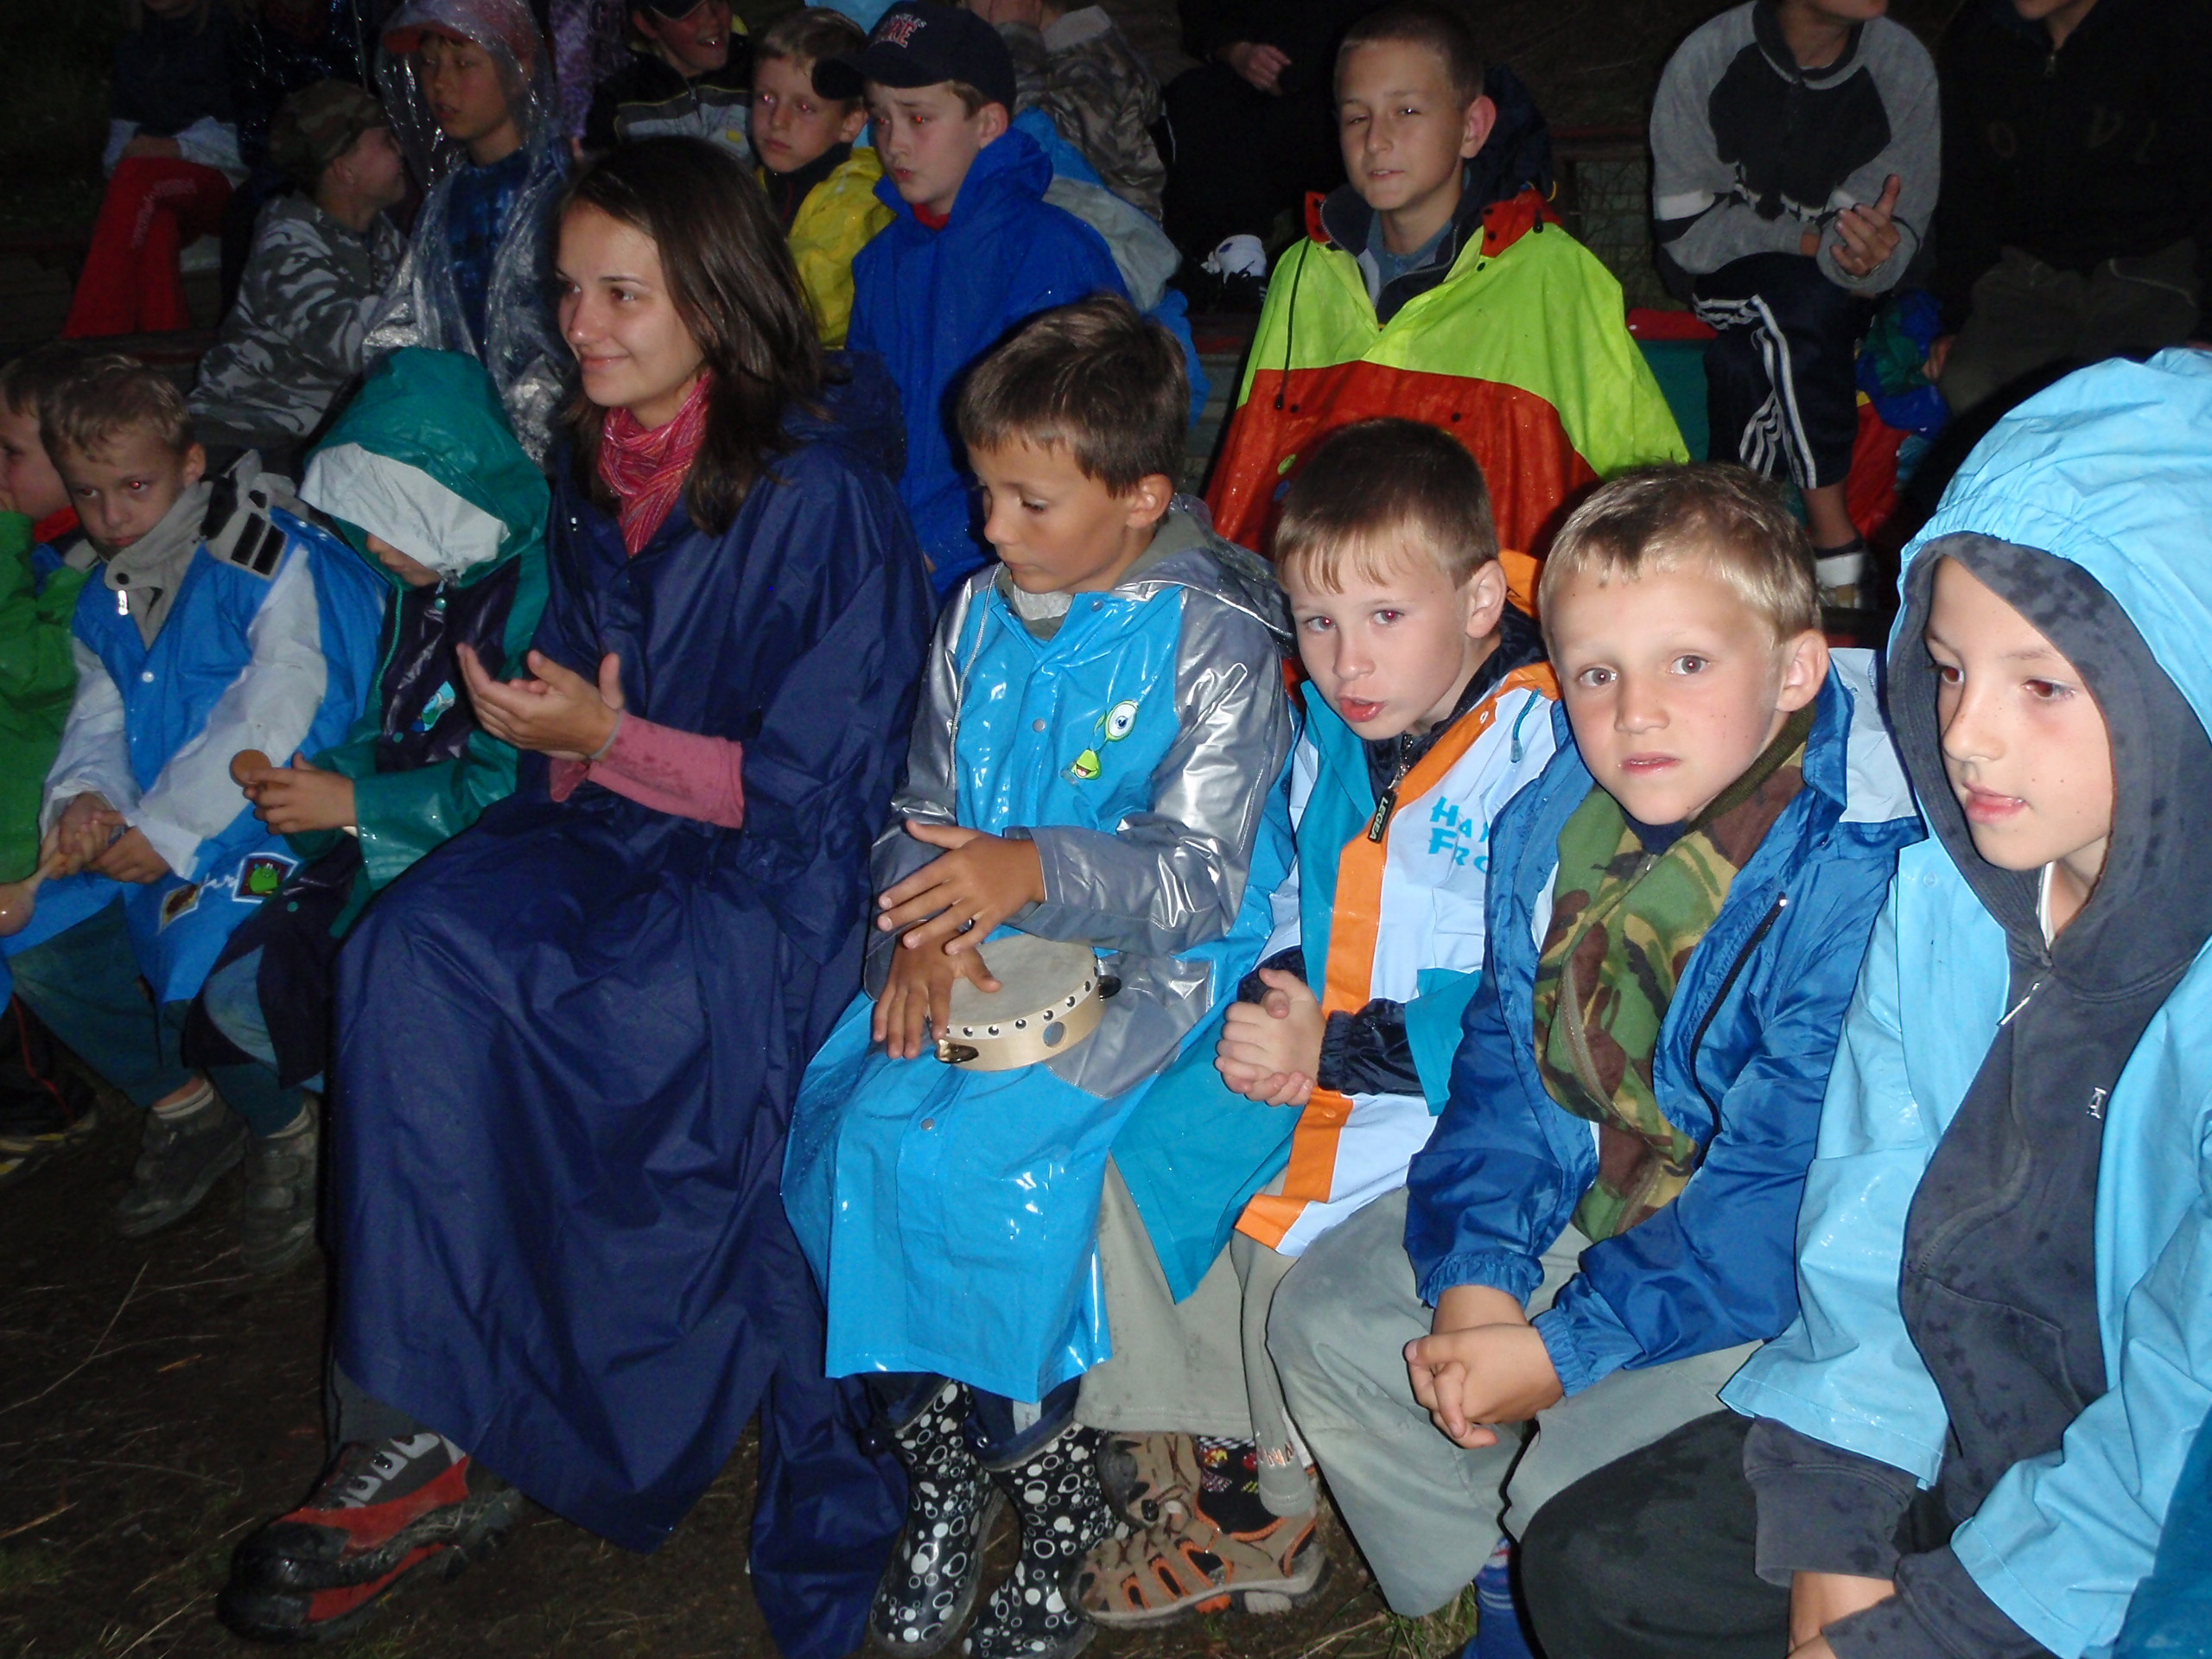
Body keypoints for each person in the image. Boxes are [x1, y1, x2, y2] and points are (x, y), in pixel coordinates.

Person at [216, 137, 928, 1650]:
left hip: (773, 872)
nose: (580, 326)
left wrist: (604, 739)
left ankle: (562, 1381)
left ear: (716, 298)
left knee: (631, 1015)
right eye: (567, 291)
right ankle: (411, 1419)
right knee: (415, 951)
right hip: (616, 824)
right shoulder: (596, 467)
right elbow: (590, 714)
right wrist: (542, 732)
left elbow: (819, 788)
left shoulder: (822, 497)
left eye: (622, 293)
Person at [1516, 348, 2212, 1659]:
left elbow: (2178, 1427)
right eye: (1947, 670)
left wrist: (1936, 1626)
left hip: (2136, 1542)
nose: (1965, 735)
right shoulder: (1948, 904)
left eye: (2042, 686)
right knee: (1597, 1569)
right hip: (1949, 1437)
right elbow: (1869, 1225)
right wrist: (1837, 1520)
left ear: (2184, 681)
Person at [1263, 463, 1919, 1643]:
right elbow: (1509, 1073)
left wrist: (1560, 1350)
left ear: (1795, 670)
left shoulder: (1855, 870)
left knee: (1576, 1473)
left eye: (1688, 664)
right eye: (1596, 674)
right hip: (1599, 1194)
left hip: (1763, 1274)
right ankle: (1486, 1581)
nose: (1635, 714)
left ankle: (1547, 1571)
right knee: (1332, 1325)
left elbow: (1789, 1192)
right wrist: (1477, 1278)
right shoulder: (1558, 813)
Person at [783, 294, 1295, 1659]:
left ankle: (1056, 1508)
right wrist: (919, 931)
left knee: (999, 1183)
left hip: (1150, 965)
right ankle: (949, 1481)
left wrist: (1034, 870)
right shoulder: (976, 616)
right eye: (985, 494)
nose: (992, 528)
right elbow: (921, 808)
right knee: (851, 1144)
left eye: (1028, 502)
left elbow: (1204, 879)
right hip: (976, 946)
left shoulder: (1214, 639)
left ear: (1141, 497)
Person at [1073, 417, 1559, 1626]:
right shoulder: (1341, 731)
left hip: (1463, 1095)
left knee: (1284, 1245)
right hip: (1337, 1051)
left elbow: (1533, 981)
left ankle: (1312, 1507)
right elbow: (1300, 883)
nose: (1347, 658)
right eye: (1317, 619)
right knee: (1151, 1148)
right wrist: (1279, 992)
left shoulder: (1538, 744)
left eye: (1385, 615)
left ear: (1481, 601)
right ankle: (1220, 1456)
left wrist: (1331, 1046)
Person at [3, 358, 383, 1254]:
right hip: (164, 822)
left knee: (198, 960)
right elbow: (102, 715)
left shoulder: (261, 554)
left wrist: (168, 831)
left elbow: (284, 704)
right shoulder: (109, 587)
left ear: (190, 464)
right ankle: (187, 1105)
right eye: (89, 494)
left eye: (134, 486)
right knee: (42, 941)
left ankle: (285, 1128)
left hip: (278, 823)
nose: (111, 515)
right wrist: (86, 798)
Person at [182, 346, 549, 1268]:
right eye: (366, 523)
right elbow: (393, 722)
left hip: (485, 873)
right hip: (395, 847)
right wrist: (318, 779)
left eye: (393, 522)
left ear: (450, 504)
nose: (375, 547)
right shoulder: (428, 589)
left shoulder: (528, 600)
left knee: (307, 997)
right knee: (240, 990)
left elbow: (513, 784)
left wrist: (352, 803)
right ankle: (384, 1131)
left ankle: (433, 1153)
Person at [1205, 1, 1685, 563]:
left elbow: (1650, 489)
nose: (1376, 141)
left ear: (1472, 127)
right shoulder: (1304, 269)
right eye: (1356, 118)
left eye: (1406, 111)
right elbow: (1249, 463)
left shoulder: (1551, 275)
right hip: (1317, 599)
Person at [818, 0, 1127, 595]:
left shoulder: (1050, 250)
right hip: (896, 558)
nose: (893, 143)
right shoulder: (880, 262)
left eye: (918, 117)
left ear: (987, 124)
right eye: (880, 118)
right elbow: (861, 418)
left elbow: (1064, 452)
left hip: (1010, 571)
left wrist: (933, 549)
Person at [1650, 0, 1938, 607]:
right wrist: (1813, 243)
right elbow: (1689, 230)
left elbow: (1894, 232)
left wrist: (1869, 256)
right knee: (1801, 302)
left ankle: (1738, 548)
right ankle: (1833, 539)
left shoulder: (1900, 65)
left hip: (1841, 294)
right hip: (1718, 273)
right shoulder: (1709, 58)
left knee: (1744, 362)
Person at [1926, 0, 2212, 421]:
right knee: (1972, 386)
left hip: (2153, 271)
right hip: (2028, 274)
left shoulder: (2179, 32)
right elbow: (1964, 195)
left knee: (2121, 406)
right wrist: (1958, 317)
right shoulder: (1978, 36)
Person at [363, 0, 571, 462]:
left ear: (520, 69)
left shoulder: (562, 192)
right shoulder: (446, 200)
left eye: (464, 63)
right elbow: (406, 325)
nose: (440, 83)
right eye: (429, 63)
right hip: (464, 455)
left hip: (546, 463)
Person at [190, 81, 410, 463]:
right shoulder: (286, 243)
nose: (401, 150)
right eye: (387, 141)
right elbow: (356, 344)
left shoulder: (383, 237)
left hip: (319, 441)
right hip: (245, 435)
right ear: (345, 169)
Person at [0, 347, 99, 1191]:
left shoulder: (93, 560)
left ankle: (41, 1103)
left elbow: (33, 672)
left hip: (48, 813)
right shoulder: (38, 544)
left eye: (10, 453)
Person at [63, 0, 246, 340]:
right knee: (156, 224)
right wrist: (135, 154)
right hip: (153, 185)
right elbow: (120, 142)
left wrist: (176, 148)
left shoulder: (237, 36)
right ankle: (165, 349)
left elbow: (255, 136)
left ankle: (87, 341)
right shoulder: (134, 49)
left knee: (140, 180)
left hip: (228, 183)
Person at [752, 9, 891, 347]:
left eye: (804, 108)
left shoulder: (859, 200)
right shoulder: (753, 186)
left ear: (850, 123)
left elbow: (809, 306)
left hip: (828, 368)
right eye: (766, 98)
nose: (777, 120)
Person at [969, 0, 1165, 217]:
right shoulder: (1073, 51)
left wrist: (1014, 37)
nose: (964, 7)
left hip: (1101, 231)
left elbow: (1041, 160)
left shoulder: (1090, 65)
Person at [582, 0, 752, 161]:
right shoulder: (618, 102)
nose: (713, 19)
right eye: (691, 12)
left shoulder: (755, 73)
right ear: (647, 25)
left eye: (717, 1)